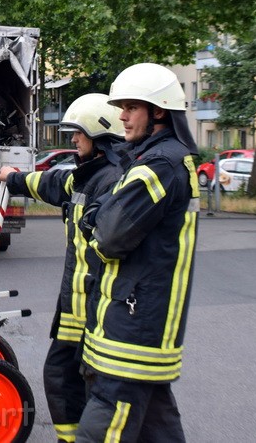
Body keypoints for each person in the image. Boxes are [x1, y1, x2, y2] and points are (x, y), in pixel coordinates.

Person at [75, 63, 200, 443]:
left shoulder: (159, 165)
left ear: (158, 111)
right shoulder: (156, 160)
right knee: (157, 430)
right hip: (141, 324)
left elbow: (109, 237)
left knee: (100, 431)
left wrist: (93, 221)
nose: (122, 117)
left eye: (130, 107)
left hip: (133, 331)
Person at [0, 93, 127, 443]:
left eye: (78, 133)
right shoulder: (84, 177)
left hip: (97, 311)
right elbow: (52, 184)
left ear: (100, 136)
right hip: (76, 308)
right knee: (61, 376)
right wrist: (14, 178)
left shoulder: (113, 182)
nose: (72, 139)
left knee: (87, 385)